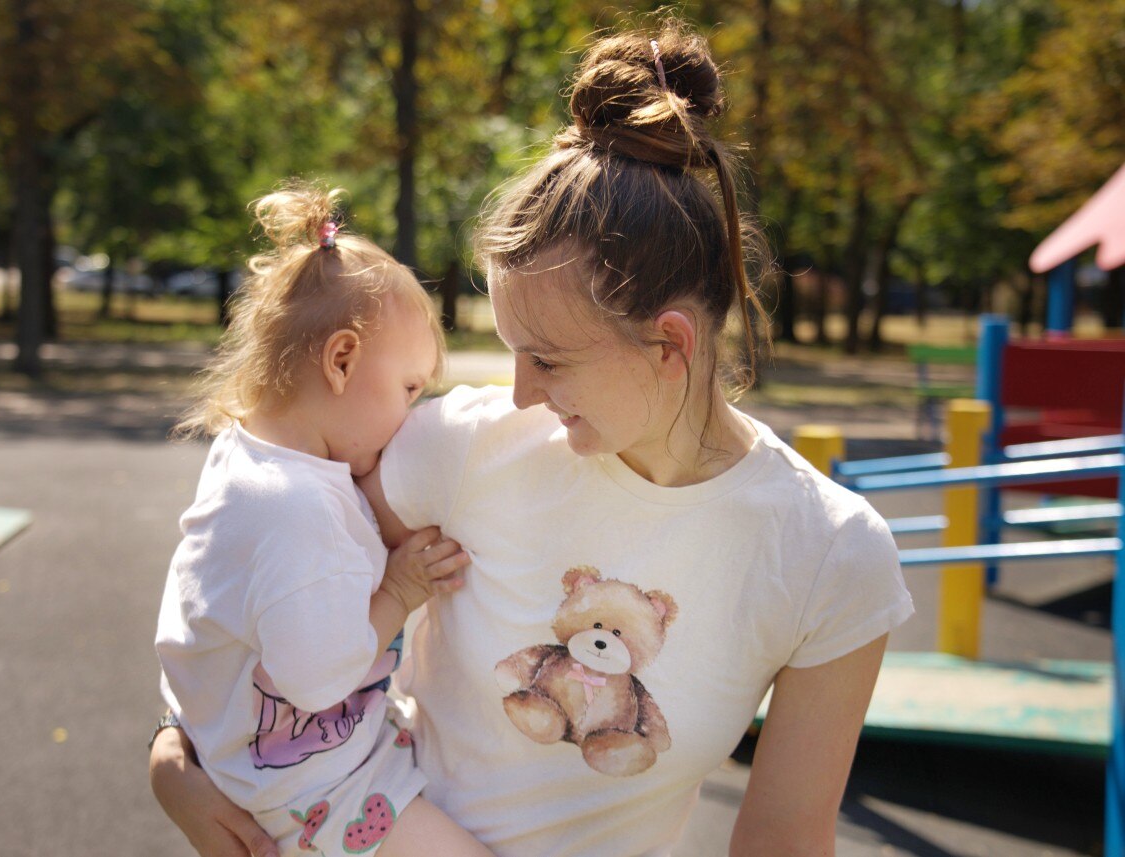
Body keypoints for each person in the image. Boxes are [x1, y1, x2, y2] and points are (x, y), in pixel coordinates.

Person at [151, 18, 913, 857]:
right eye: (515, 353)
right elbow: (262, 591)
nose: (519, 393)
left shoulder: (830, 553)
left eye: (547, 357)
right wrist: (177, 751)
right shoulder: (463, 446)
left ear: (672, 345)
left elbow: (784, 840)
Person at [155, 183, 493, 857]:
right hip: (313, 796)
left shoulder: (244, 456)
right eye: (408, 388)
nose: (413, 411)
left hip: (253, 762)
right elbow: (317, 679)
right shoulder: (300, 511)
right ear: (341, 361)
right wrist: (398, 592)